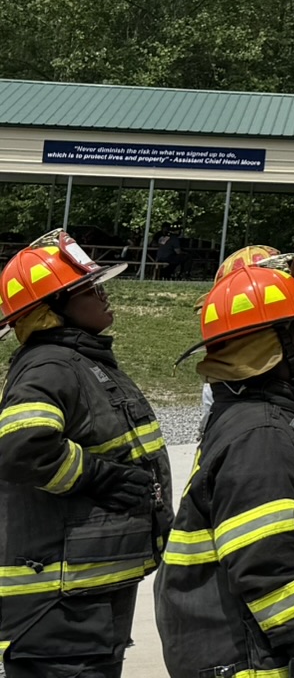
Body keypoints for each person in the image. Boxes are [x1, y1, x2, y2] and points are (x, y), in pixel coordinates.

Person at [156, 251, 294, 678]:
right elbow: (264, 562)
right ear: (270, 352)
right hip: (247, 657)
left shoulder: (260, 419)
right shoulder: (261, 436)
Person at [0, 231, 170, 678]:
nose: (103, 293)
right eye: (89, 288)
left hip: (84, 603)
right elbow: (21, 447)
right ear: (54, 307)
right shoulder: (51, 365)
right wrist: (99, 477)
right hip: (57, 611)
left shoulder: (79, 360)